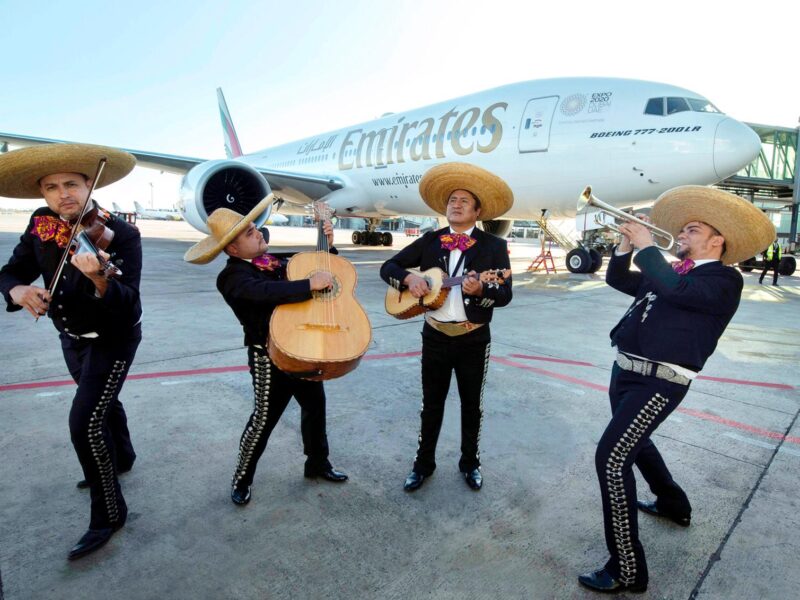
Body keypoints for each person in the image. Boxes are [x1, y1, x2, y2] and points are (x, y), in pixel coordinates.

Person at [578, 185, 774, 594]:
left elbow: (676, 291)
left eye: (692, 229)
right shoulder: (672, 273)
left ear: (717, 240)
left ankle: (628, 569)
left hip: (660, 382)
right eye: (681, 230)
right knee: (638, 445)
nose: (681, 235)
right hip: (626, 372)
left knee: (612, 460)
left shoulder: (723, 280)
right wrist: (625, 243)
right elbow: (618, 278)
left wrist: (649, 245)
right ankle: (673, 504)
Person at [0, 143, 141, 560]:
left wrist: (101, 280)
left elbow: (128, 301)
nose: (63, 194)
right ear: (42, 194)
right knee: (101, 404)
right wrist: (18, 289)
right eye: (52, 187)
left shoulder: (122, 234)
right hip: (70, 336)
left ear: (88, 187)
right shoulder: (41, 223)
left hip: (114, 338)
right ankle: (124, 456)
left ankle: (110, 515)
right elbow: (10, 271)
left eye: (71, 184)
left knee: (84, 424)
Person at [184, 199, 348, 506]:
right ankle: (242, 478)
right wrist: (307, 284)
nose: (258, 232)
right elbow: (264, 293)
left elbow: (316, 268)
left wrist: (328, 248)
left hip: (302, 350)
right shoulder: (231, 277)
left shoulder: (272, 262)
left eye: (254, 227)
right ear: (232, 249)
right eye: (248, 233)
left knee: (315, 409)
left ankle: (317, 464)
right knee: (263, 420)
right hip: (269, 357)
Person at [380, 162, 513, 492]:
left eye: (464, 200)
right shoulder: (431, 240)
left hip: (473, 337)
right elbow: (388, 267)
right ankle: (422, 464)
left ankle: (470, 463)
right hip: (435, 335)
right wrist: (409, 278)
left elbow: (505, 293)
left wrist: (482, 289)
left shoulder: (494, 247)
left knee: (472, 406)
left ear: (478, 211)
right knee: (431, 405)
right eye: (452, 199)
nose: (456, 204)